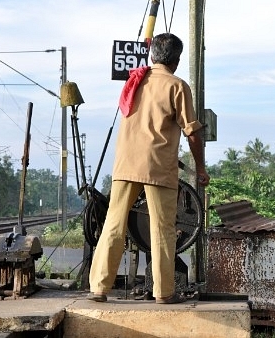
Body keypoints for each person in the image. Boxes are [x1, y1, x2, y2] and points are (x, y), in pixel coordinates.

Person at [87, 32, 210, 304]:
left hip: (126, 163)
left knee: (114, 223)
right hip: (158, 166)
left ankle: (99, 288)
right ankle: (164, 292)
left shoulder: (135, 81)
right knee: (163, 228)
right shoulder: (177, 85)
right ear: (176, 61)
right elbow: (192, 133)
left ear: (152, 55)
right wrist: (200, 169)